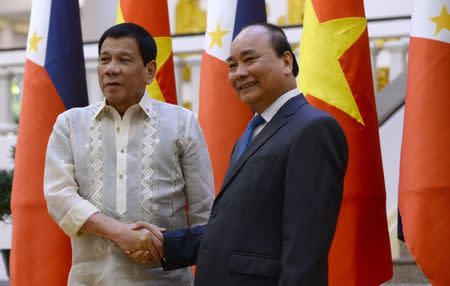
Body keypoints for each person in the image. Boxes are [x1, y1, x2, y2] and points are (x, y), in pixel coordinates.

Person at [135, 23, 349, 286]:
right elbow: (236, 226)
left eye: (249, 60)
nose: (240, 73)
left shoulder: (312, 129)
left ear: (286, 61)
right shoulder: (252, 132)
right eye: (232, 65)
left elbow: (305, 247)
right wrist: (166, 244)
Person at [43, 22, 214, 286]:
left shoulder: (183, 123)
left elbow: (205, 215)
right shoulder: (69, 124)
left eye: (124, 60)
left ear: (149, 71)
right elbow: (58, 197)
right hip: (90, 280)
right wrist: (122, 233)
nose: (111, 69)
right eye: (104, 59)